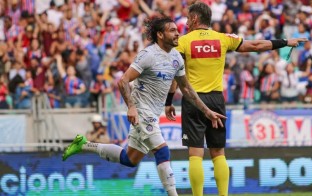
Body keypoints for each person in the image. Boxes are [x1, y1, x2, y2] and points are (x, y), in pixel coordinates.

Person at [62, 17, 226, 196]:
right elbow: (123, 81)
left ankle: (84, 145)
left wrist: (207, 111)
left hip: (152, 114)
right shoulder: (148, 55)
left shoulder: (176, 58)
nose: (177, 32)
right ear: (160, 34)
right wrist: (131, 107)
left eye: (176, 29)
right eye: (172, 30)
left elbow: (186, 88)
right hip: (141, 111)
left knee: (129, 159)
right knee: (162, 150)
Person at [164, 2, 307, 196]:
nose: (187, 22)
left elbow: (176, 75)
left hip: (193, 100)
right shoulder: (223, 39)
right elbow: (255, 45)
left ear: (195, 19)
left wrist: (169, 101)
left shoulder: (183, 42)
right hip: (216, 99)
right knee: (218, 153)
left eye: (189, 18)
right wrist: (285, 42)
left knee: (195, 154)